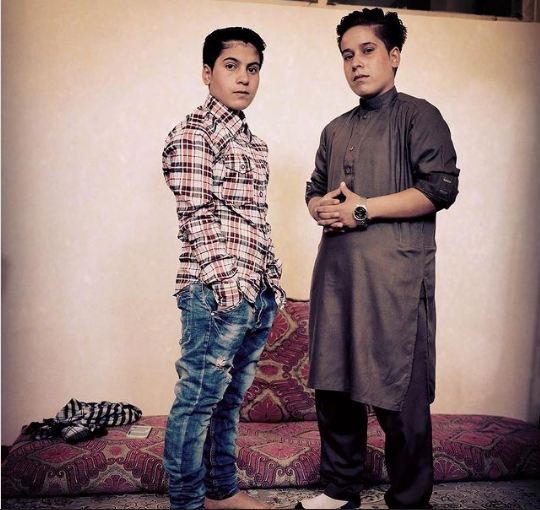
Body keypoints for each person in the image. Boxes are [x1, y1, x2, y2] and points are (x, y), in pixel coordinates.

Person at [299, 8, 459, 510]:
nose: (356, 63)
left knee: (400, 394)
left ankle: (409, 499)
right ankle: (338, 489)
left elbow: (440, 188)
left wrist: (363, 209)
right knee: (334, 384)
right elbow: (314, 189)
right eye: (347, 54)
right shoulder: (334, 129)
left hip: (396, 279)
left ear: (394, 56)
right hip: (338, 277)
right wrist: (319, 207)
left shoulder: (419, 115)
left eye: (367, 51)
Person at [162, 27, 285, 510]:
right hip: (215, 291)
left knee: (229, 400)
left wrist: (270, 283)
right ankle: (187, 502)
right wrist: (228, 287)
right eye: (231, 67)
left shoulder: (255, 145)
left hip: (255, 290)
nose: (243, 78)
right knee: (197, 400)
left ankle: (221, 492)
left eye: (252, 69)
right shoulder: (193, 133)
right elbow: (196, 215)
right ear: (207, 73)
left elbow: (254, 219)